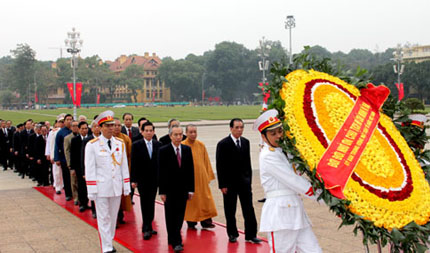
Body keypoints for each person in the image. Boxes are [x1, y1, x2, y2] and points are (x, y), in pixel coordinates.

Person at [253, 109, 322, 253]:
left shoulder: (284, 151)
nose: (278, 136)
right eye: (273, 134)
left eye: (280, 131)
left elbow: (299, 169)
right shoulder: (268, 156)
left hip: (296, 213)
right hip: (280, 216)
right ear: (264, 137)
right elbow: (294, 180)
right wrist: (323, 197)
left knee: (314, 250)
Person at [85, 110, 130, 253]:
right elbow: (90, 169)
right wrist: (91, 191)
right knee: (103, 218)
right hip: (101, 188)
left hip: (116, 187)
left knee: (113, 217)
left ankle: (109, 241)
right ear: (100, 127)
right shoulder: (92, 145)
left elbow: (124, 166)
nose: (112, 128)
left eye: (113, 125)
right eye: (108, 126)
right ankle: (106, 247)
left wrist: (126, 185)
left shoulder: (120, 143)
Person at [216, 118, 261, 244]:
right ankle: (232, 233)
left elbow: (248, 163)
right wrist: (222, 184)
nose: (239, 130)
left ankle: (251, 235)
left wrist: (249, 181)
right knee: (230, 210)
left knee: (249, 209)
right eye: (237, 127)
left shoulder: (246, 142)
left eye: (241, 127)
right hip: (229, 184)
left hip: (244, 183)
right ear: (231, 128)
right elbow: (220, 166)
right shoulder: (223, 144)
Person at [158, 125, 194, 252]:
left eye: (180, 135)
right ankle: (176, 241)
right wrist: (162, 191)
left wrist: (191, 189)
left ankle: (174, 236)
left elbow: (190, 171)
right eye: (176, 135)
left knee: (180, 216)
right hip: (169, 190)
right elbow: (161, 172)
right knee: (170, 216)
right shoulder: (163, 151)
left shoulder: (187, 149)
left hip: (183, 190)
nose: (179, 137)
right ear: (170, 136)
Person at [182, 124, 217, 229]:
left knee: (205, 199)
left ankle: (206, 220)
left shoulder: (201, 144)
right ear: (186, 133)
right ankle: (191, 221)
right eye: (191, 132)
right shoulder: (183, 145)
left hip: (201, 178)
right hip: (190, 179)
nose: (193, 134)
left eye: (195, 132)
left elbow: (206, 161)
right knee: (191, 201)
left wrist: (208, 175)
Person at [131, 121, 162, 240]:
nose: (149, 133)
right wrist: (134, 179)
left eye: (151, 131)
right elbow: (134, 163)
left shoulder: (158, 144)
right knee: (145, 203)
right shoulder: (136, 145)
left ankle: (149, 224)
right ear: (142, 131)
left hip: (154, 180)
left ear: (154, 132)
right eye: (146, 131)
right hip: (142, 180)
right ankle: (146, 228)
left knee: (151, 202)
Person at [113, 118, 133, 225]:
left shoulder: (125, 139)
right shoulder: (108, 139)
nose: (116, 127)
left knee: (122, 196)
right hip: (111, 174)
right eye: (114, 125)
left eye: (118, 125)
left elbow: (129, 156)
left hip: (123, 172)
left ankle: (120, 216)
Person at [81, 120, 101, 219]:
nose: (97, 128)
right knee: (94, 190)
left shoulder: (103, 139)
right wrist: (84, 172)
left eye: (98, 126)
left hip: (101, 170)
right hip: (92, 170)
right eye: (95, 127)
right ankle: (94, 210)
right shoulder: (87, 140)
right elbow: (83, 158)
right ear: (92, 128)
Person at [71, 121, 90, 212]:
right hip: (79, 167)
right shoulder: (75, 140)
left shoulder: (91, 139)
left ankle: (89, 203)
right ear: (79, 129)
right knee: (81, 186)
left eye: (86, 128)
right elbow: (73, 155)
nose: (84, 130)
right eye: (82, 129)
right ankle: (82, 203)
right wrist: (72, 168)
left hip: (89, 166)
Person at [54, 114, 73, 201]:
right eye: (67, 120)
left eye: (71, 119)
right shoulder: (61, 132)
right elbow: (57, 146)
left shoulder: (75, 131)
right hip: (64, 158)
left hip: (74, 158)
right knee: (66, 177)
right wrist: (57, 158)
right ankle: (68, 194)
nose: (69, 121)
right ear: (64, 122)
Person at [46, 115, 65, 194]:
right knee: (56, 172)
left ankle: (63, 185)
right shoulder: (53, 132)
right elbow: (49, 143)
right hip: (56, 154)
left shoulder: (68, 131)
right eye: (60, 122)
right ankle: (57, 186)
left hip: (65, 154)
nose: (62, 123)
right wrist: (48, 154)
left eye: (63, 122)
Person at [64, 120, 80, 205]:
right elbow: (67, 151)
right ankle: (76, 197)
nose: (75, 127)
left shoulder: (82, 136)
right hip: (73, 162)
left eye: (77, 126)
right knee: (74, 182)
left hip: (81, 163)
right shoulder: (67, 138)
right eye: (73, 126)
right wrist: (69, 164)